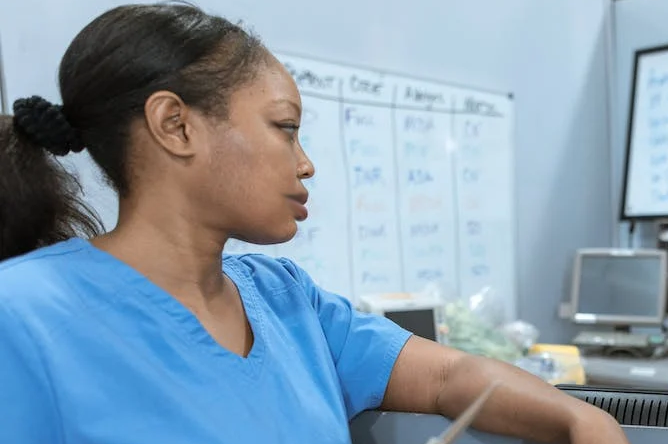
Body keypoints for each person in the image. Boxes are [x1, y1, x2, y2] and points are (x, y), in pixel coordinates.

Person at [0, 3, 629, 444]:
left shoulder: (284, 298)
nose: (305, 164)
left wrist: (582, 421)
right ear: (176, 125)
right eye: (285, 129)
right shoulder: (23, 316)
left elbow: (448, 376)